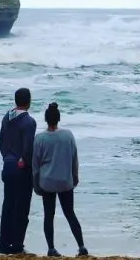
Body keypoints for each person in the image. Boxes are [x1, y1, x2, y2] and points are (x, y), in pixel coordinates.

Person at [32, 102, 89, 257]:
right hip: (65, 181)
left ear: (45, 120)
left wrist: (36, 186)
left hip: (47, 182)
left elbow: (35, 166)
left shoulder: (39, 139)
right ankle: (82, 246)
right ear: (58, 119)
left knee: (48, 215)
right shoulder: (68, 135)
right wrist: (75, 178)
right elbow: (74, 159)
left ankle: (51, 248)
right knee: (70, 213)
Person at [0, 87, 37, 255]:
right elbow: (28, 149)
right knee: (21, 208)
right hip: (21, 170)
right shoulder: (29, 122)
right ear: (29, 102)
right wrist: (23, 162)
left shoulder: (6, 118)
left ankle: (4, 245)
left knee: (8, 206)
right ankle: (17, 246)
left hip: (8, 165)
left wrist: (7, 158)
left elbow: (0, 143)